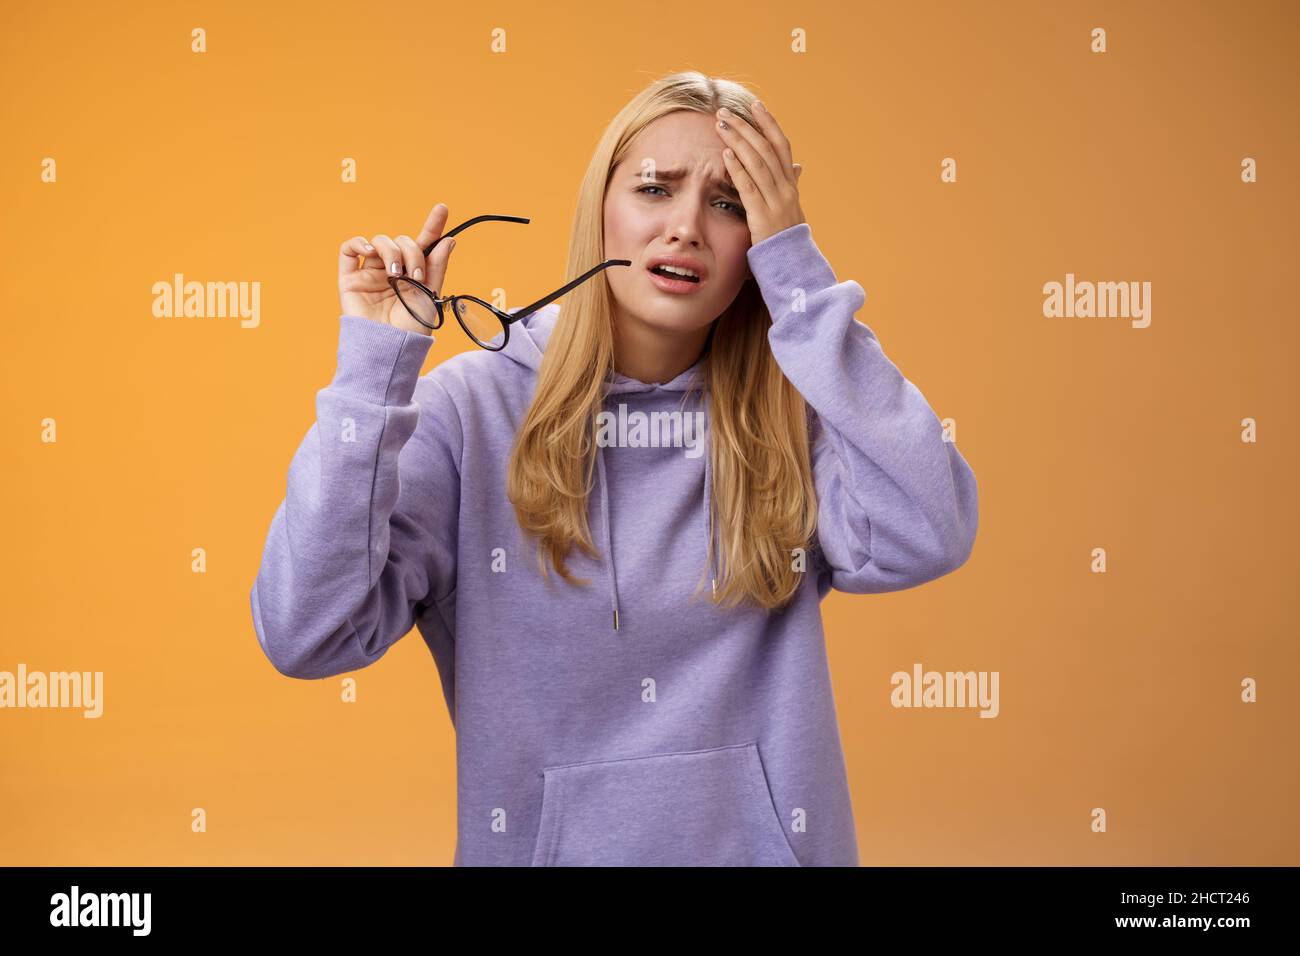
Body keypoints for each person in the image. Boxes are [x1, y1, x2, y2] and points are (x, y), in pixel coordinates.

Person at [250, 70, 979, 866]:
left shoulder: (794, 411)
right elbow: (306, 632)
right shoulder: (469, 414)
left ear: (758, 244)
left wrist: (799, 280)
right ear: (599, 209)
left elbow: (930, 532)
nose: (687, 228)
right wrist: (374, 364)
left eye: (732, 203)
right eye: (655, 189)